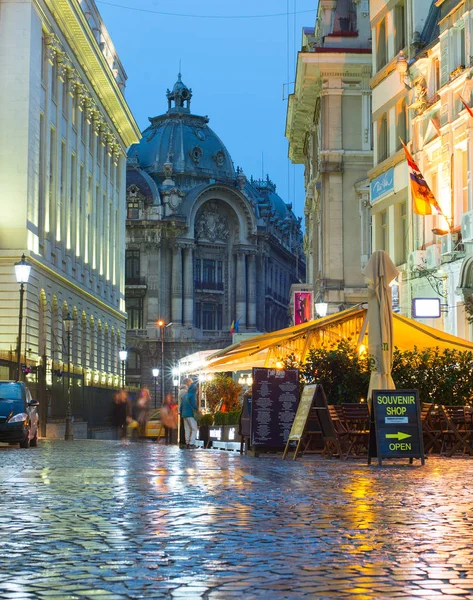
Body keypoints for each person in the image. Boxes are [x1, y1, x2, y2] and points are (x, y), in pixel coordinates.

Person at [180, 378, 198, 448]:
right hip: (190, 414)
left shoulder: (184, 395)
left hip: (184, 415)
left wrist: (182, 413)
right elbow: (193, 405)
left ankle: (187, 442)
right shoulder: (192, 395)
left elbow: (181, 406)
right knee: (194, 429)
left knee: (187, 429)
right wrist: (197, 410)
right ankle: (191, 443)